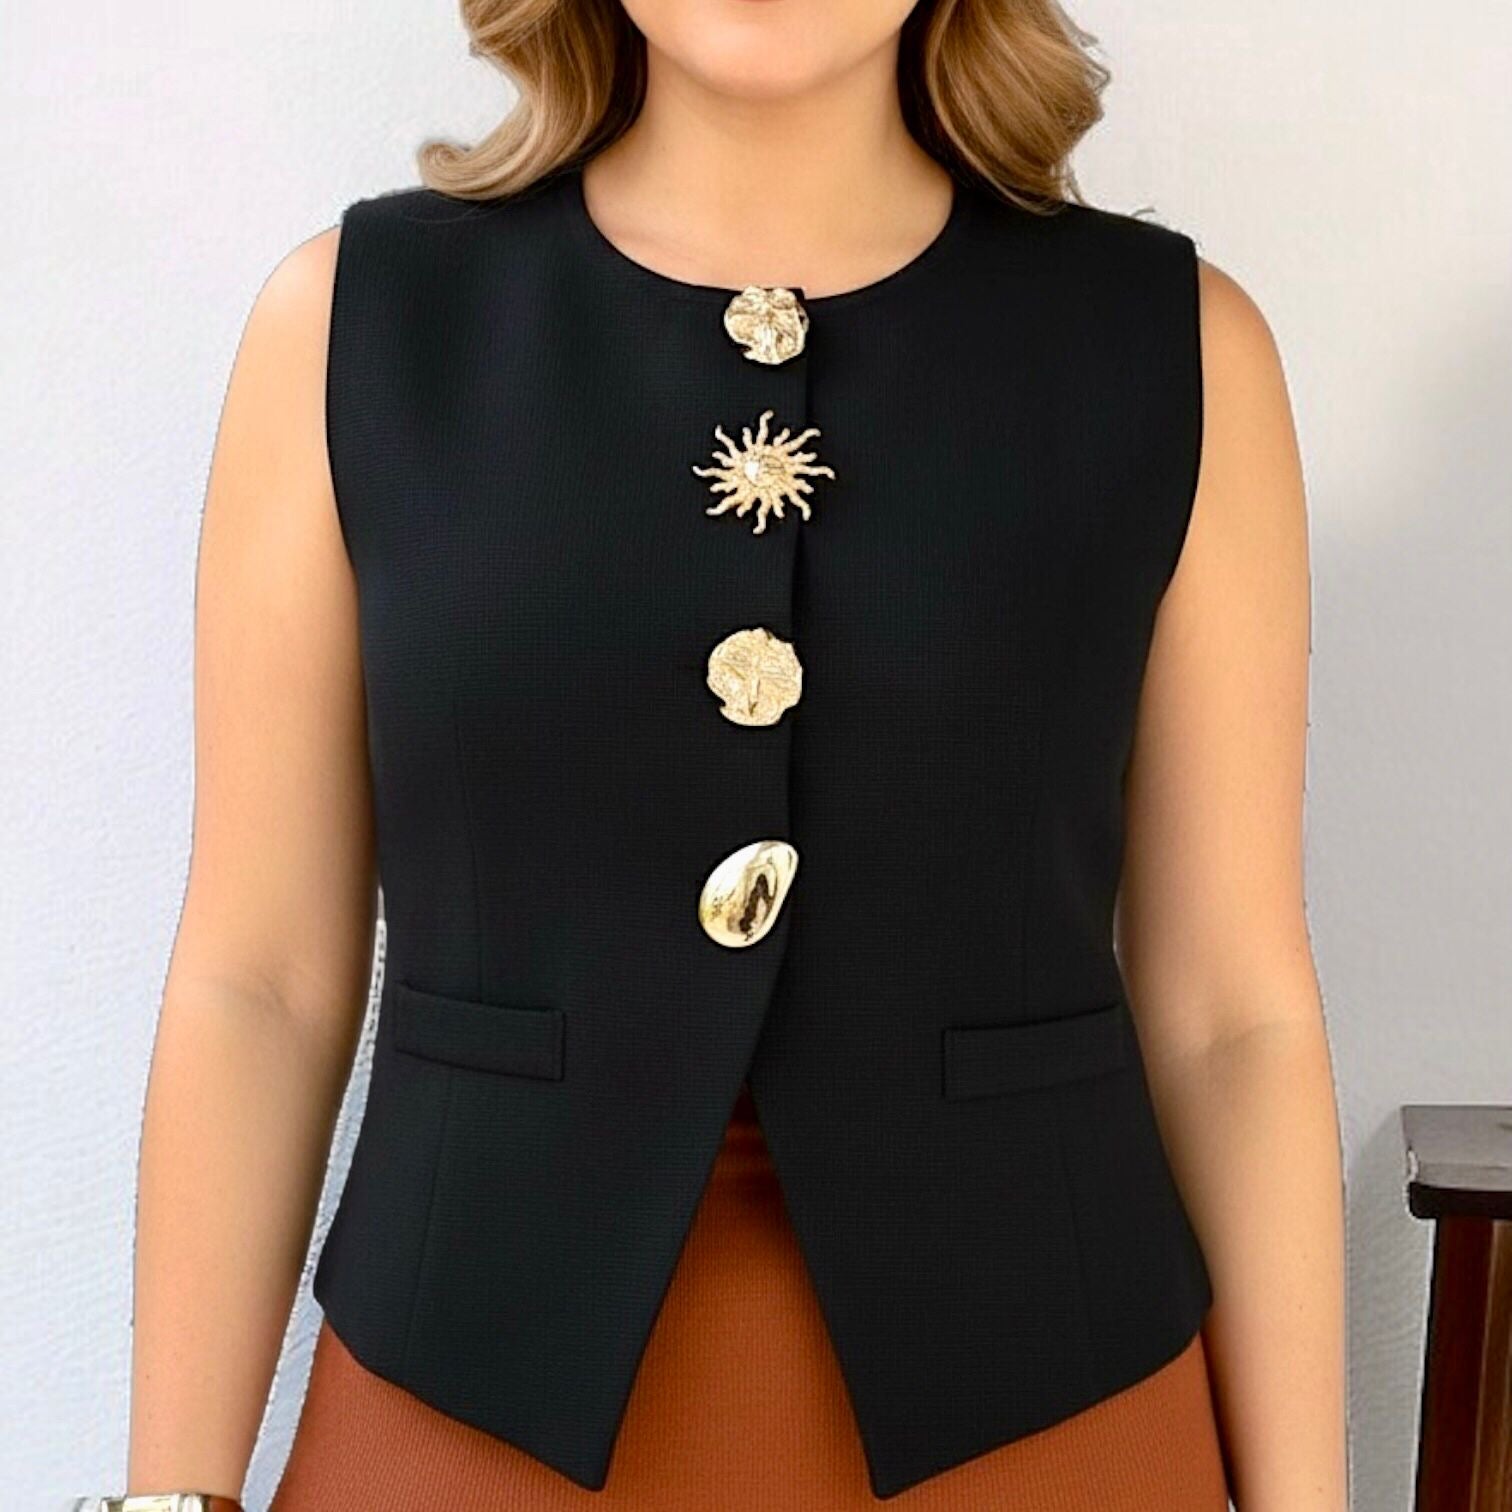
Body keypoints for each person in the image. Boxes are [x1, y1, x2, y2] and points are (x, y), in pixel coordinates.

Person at [116, 2, 1348, 1509]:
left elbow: (1232, 1014)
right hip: (454, 1430)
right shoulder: (355, 327)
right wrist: (164, 1502)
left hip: (1056, 1429)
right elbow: (258, 980)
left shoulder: (1178, 348)